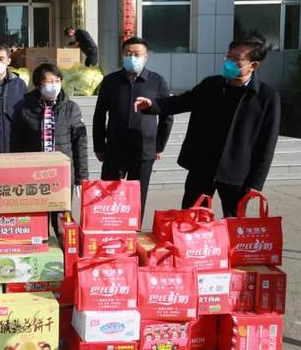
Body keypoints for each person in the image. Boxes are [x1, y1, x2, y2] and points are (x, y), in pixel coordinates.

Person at [134, 37, 280, 217]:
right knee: (192, 217)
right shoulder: (211, 85)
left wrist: (255, 182)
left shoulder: (266, 96)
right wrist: (152, 105)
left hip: (237, 171)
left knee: (233, 222)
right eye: (228, 56)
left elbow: (267, 142)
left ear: (254, 65)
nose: (229, 62)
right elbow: (181, 101)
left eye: (236, 59)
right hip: (202, 165)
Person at [93, 36, 173, 217]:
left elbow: (167, 115)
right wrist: (99, 146)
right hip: (114, 149)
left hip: (144, 150)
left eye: (137, 54)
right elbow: (99, 115)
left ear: (146, 57)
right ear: (122, 55)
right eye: (128, 54)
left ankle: (134, 229)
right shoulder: (110, 81)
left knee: (137, 197)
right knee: (108, 197)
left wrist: (159, 146)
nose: (132, 57)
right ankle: (110, 228)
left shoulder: (157, 81)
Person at [11, 63, 89, 185]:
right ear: (38, 85)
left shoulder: (71, 108)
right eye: (49, 81)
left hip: (63, 175)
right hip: (34, 175)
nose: (54, 85)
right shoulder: (24, 108)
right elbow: (16, 144)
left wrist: (82, 178)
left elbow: (80, 144)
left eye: (57, 81)